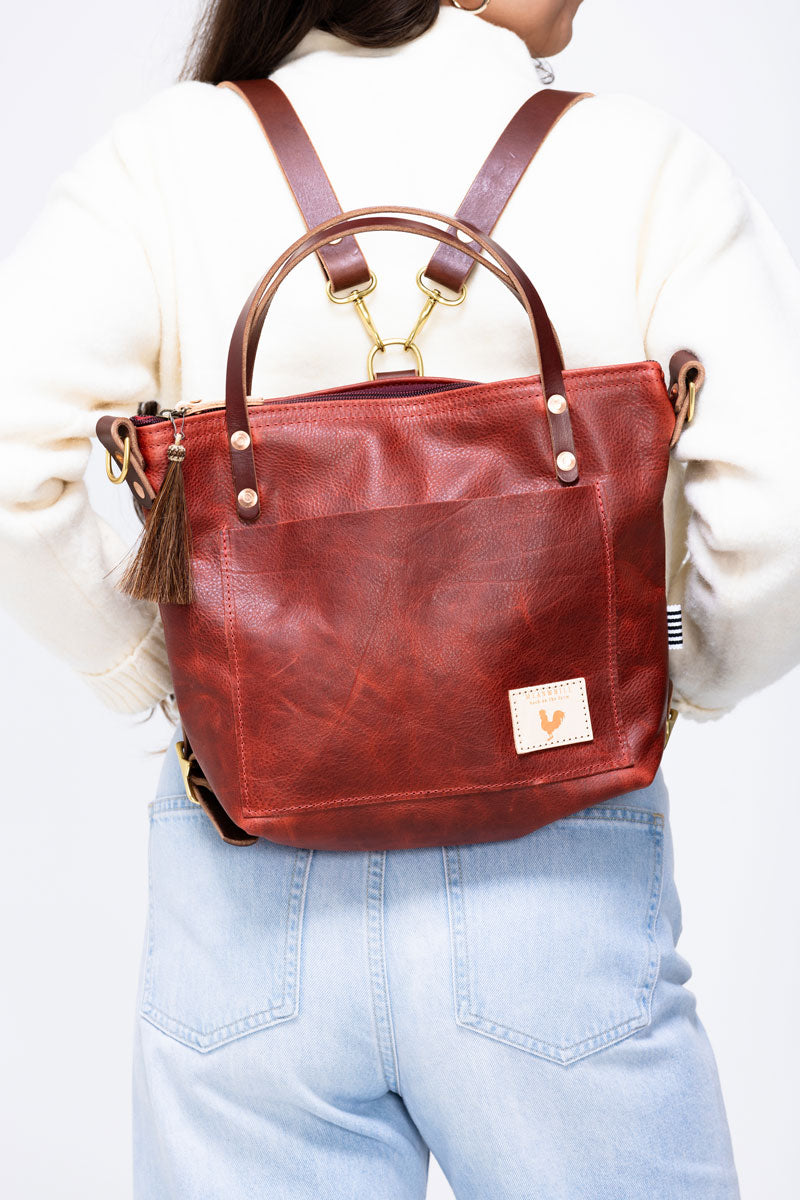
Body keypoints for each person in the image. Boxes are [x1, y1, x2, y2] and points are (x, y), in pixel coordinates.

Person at [1, 1, 799, 1196]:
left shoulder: (163, 157)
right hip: (553, 857)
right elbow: (778, 515)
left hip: (247, 866)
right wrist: (669, 678)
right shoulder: (639, 161)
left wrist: (164, 679)